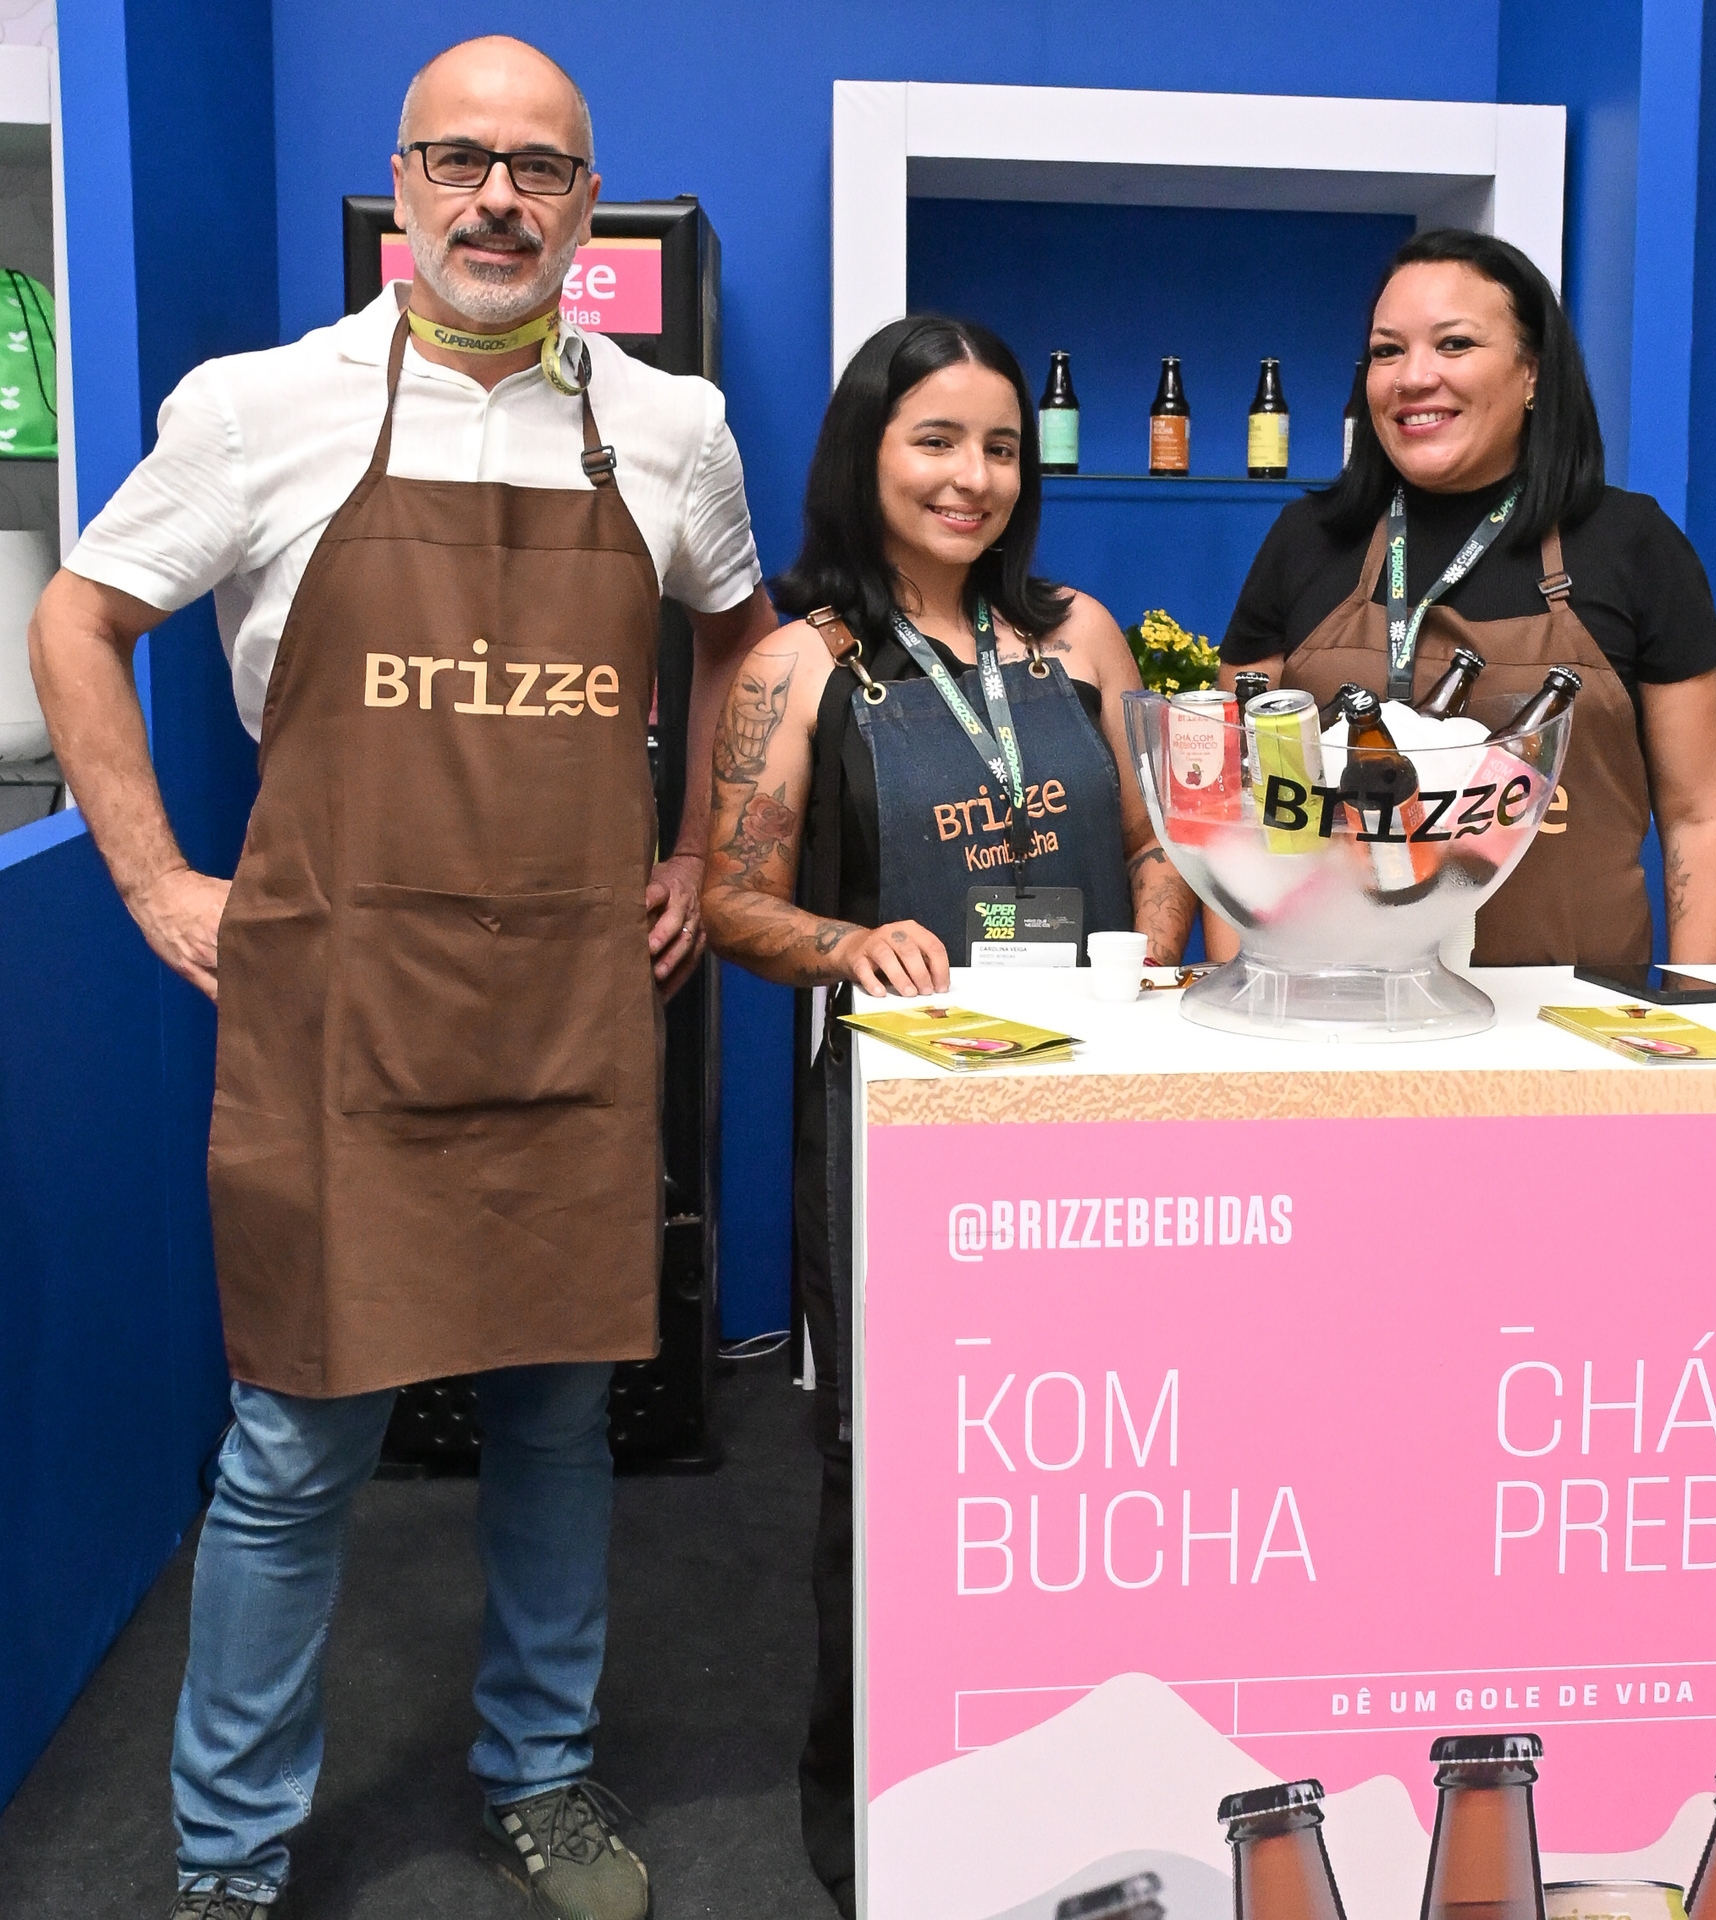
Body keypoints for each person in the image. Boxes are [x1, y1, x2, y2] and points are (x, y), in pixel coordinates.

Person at [28, 36, 777, 1920]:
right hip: (340, 1014)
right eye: (459, 161)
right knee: (294, 1448)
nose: (497, 200)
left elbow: (744, 642)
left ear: (588, 206)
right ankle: (226, 1852)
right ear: (405, 183)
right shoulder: (259, 411)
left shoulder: (671, 429)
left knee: (557, 1425)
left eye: (540, 168)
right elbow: (77, 618)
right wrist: (151, 876)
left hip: (569, 1011)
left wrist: (707, 852)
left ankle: (543, 1768)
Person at [699, 314, 1196, 1916]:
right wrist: (849, 944)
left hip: (1093, 1112)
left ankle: (1100, 1797)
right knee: (901, 1468)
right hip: (903, 1138)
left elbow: (1156, 843)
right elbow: (730, 899)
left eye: (998, 447)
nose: (972, 476)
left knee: (1107, 1454)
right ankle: (886, 1825)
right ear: (868, 453)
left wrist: (1159, 945)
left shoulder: (1080, 637)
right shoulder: (799, 662)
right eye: (935, 441)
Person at [1217, 228, 1716, 965]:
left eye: (1455, 344)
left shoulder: (1632, 544)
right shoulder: (1306, 541)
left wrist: (1690, 1002)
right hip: (1327, 998)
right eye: (1387, 351)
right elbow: (1237, 802)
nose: (1413, 377)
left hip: (1569, 1012)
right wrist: (1243, 980)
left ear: (1533, 372)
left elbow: (1699, 816)